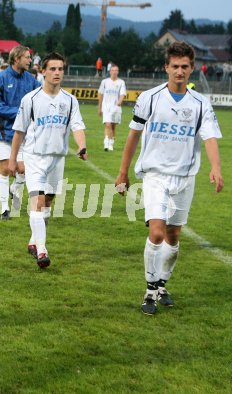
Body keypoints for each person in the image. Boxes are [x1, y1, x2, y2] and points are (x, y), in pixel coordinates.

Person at [114, 41, 223, 316]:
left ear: (192, 68)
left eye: (184, 66)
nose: (179, 71)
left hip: (185, 178)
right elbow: (133, 136)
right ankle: (150, 291)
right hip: (155, 176)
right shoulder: (149, 98)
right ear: (166, 67)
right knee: (157, 233)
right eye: (174, 66)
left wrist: (216, 168)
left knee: (174, 237)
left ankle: (162, 284)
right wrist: (123, 172)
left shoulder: (200, 104)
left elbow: (209, 137)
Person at [9, 52, 87, 268]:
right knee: (38, 201)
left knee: (48, 203)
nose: (57, 73)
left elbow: (77, 126)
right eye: (52, 69)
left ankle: (34, 241)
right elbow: (19, 131)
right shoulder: (31, 99)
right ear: (42, 71)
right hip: (35, 157)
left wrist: (82, 145)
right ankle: (42, 251)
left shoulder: (70, 100)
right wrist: (13, 159)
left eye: (60, 69)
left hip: (57, 159)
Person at [0, 46, 40, 220]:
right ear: (16, 59)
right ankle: (5, 209)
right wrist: (20, 113)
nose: (30, 60)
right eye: (27, 57)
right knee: (5, 168)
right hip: (3, 131)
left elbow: (41, 96)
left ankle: (13, 189)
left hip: (24, 132)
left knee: (23, 170)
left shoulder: (31, 80)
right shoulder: (0, 78)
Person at [98, 63, 126, 152]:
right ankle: (106, 143)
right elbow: (100, 94)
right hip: (106, 107)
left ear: (118, 72)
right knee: (108, 124)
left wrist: (119, 102)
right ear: (110, 71)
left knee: (113, 127)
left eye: (116, 70)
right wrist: (100, 108)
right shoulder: (105, 82)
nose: (114, 72)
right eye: (113, 70)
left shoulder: (121, 82)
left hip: (116, 107)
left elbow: (122, 94)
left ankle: (111, 142)